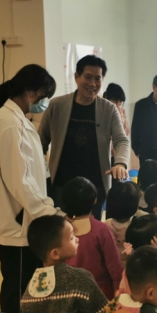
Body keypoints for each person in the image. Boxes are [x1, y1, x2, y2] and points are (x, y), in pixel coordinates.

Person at [0, 64, 61, 313]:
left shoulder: (17, 120)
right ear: (29, 92)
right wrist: (49, 211)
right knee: (17, 290)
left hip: (24, 218)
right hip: (18, 223)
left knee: (23, 285)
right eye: (44, 95)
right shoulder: (10, 125)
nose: (44, 102)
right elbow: (20, 182)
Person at [39, 55, 130, 220]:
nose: (93, 84)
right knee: (61, 228)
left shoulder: (109, 109)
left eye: (98, 78)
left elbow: (121, 140)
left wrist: (120, 163)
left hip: (95, 186)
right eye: (88, 77)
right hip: (61, 185)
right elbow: (41, 142)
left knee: (90, 229)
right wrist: (40, 174)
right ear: (76, 77)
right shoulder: (57, 105)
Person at [21, 215, 108, 313]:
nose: (77, 239)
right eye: (71, 237)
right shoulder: (80, 279)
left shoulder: (29, 292)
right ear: (55, 253)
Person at [62, 177, 123, 299]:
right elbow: (115, 266)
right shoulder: (101, 229)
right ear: (95, 200)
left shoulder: (60, 230)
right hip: (101, 292)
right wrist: (119, 292)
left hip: (69, 292)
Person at [105, 181, 148, 267]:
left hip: (110, 265)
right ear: (135, 207)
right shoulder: (137, 226)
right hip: (132, 266)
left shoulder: (105, 225)